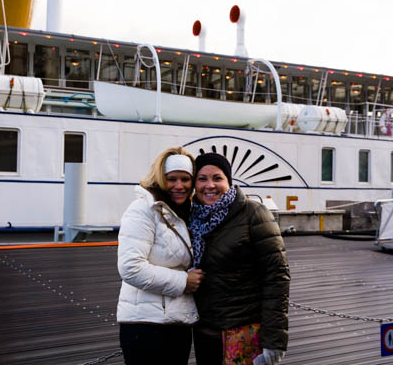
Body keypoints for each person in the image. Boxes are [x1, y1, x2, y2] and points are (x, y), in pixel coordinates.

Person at [189, 152, 290, 365]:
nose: (210, 185)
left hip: (243, 333)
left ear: (229, 182)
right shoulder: (192, 218)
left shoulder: (253, 213)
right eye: (202, 178)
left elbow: (277, 277)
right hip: (205, 332)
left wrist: (274, 340)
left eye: (217, 178)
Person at [117, 147, 205, 364]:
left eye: (185, 179)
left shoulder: (184, 212)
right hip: (145, 325)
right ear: (160, 179)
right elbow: (131, 268)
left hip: (176, 321)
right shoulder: (144, 209)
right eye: (171, 179)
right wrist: (183, 281)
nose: (179, 186)